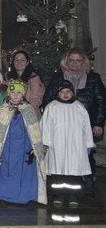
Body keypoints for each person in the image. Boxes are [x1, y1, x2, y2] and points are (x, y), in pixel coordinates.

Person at [43, 47, 106, 198]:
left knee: (85, 156)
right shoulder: (58, 77)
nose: (75, 64)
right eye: (71, 60)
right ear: (66, 60)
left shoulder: (93, 78)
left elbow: (101, 101)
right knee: (60, 157)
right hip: (60, 126)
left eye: (78, 61)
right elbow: (48, 98)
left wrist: (98, 122)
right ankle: (59, 190)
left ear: (84, 62)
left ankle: (88, 185)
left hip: (84, 124)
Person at [0, 79, 47, 205]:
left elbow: (34, 131)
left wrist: (35, 149)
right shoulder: (3, 109)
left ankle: (25, 196)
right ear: (8, 94)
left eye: (19, 93)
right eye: (13, 93)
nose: (16, 95)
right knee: (5, 172)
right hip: (6, 148)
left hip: (24, 149)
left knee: (24, 173)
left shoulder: (28, 109)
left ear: (23, 94)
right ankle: (2, 195)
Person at [41, 80, 94, 208]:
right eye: (62, 92)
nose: (65, 94)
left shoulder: (79, 107)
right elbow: (45, 127)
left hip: (75, 146)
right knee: (58, 173)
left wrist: (88, 143)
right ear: (58, 93)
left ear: (72, 93)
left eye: (68, 91)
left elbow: (86, 127)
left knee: (74, 174)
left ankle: (73, 196)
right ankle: (58, 195)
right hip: (57, 146)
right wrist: (44, 143)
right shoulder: (51, 107)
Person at [6, 50, 45, 118]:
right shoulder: (8, 78)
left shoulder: (34, 78)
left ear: (27, 62)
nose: (19, 62)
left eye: (22, 60)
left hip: (30, 115)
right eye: (16, 60)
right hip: (11, 114)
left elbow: (36, 98)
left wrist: (24, 110)